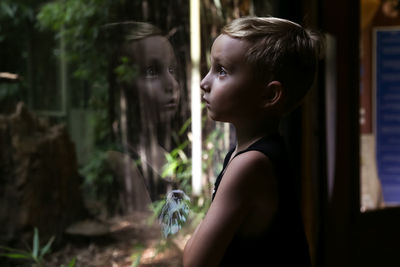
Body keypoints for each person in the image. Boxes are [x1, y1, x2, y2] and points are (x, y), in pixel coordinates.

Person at [183, 16, 323, 266]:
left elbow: (194, 261)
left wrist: (189, 243)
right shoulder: (258, 153)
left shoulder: (250, 165)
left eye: (222, 71)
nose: (204, 83)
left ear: (269, 94)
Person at [104, 22, 181, 212]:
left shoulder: (163, 152)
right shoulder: (122, 162)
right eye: (152, 72)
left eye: (172, 70)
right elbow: (146, 237)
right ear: (125, 87)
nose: (171, 84)